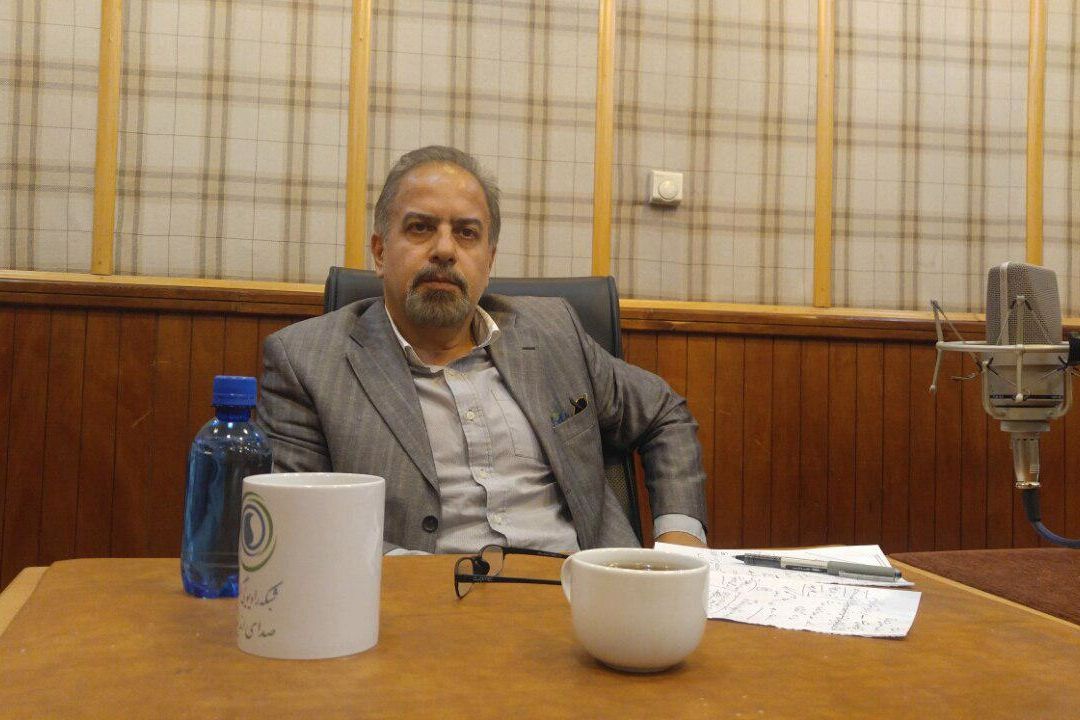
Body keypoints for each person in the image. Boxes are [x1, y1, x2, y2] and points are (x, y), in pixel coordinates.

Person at [257, 145, 708, 554]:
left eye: (467, 233)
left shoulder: (553, 332)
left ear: (489, 261)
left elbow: (663, 413)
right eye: (420, 228)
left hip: (584, 591)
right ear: (379, 252)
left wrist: (681, 545)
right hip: (420, 601)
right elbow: (301, 519)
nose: (444, 250)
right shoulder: (308, 361)